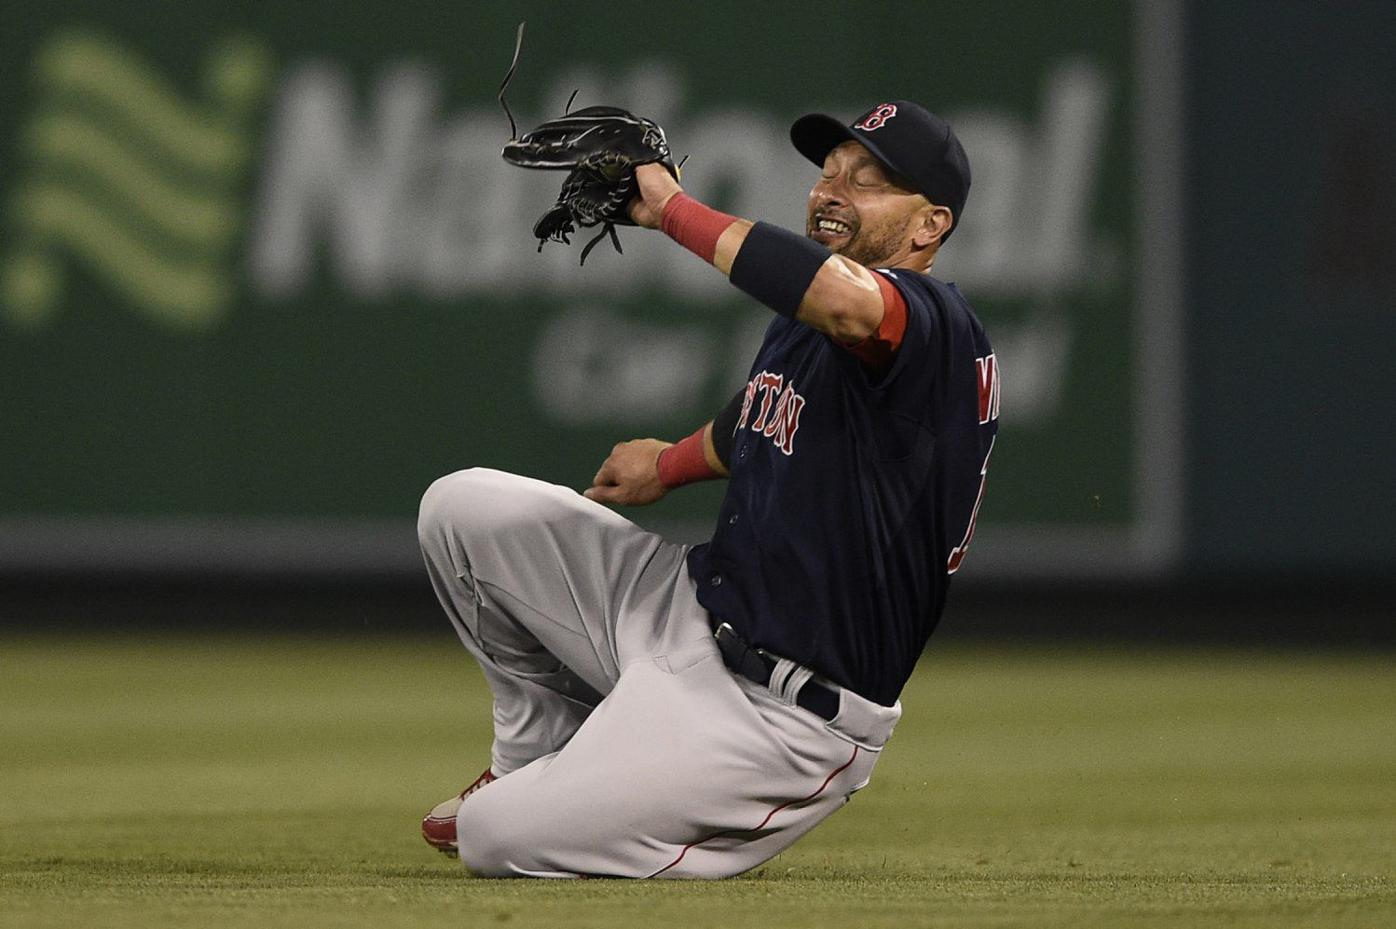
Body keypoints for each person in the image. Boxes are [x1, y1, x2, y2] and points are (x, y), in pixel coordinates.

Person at [416, 100, 999, 879]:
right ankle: (537, 750)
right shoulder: (815, 326)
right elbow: (762, 415)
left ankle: (702, 818)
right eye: (828, 172)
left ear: (929, 226)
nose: (832, 190)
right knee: (463, 509)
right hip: (691, 610)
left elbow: (846, 303)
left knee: (496, 837)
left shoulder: (934, 326)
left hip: (782, 718)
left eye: (867, 181)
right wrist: (670, 463)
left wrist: (669, 210)